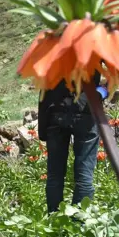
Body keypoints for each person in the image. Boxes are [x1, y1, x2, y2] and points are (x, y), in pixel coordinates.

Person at [38, 75, 107, 214]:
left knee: (55, 175)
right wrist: (101, 92)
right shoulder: (96, 51)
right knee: (84, 174)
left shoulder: (51, 52)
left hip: (55, 110)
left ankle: (55, 221)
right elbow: (116, 71)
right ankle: (80, 223)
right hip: (85, 108)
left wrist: (43, 125)